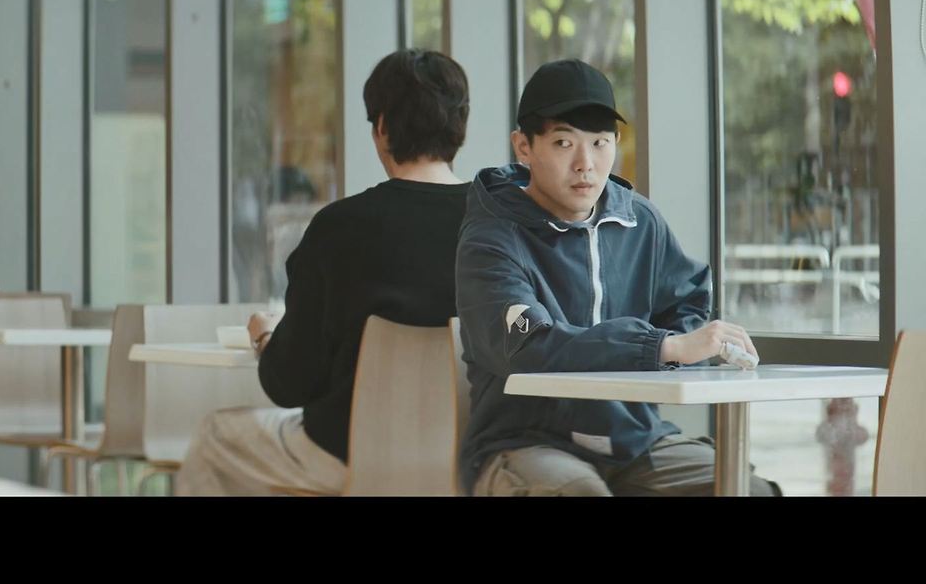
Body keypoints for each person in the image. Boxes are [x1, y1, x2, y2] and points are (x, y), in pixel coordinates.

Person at [456, 58, 779, 496]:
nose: (585, 164)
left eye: (600, 143)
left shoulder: (639, 221)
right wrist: (659, 347)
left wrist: (677, 352)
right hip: (525, 441)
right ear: (523, 147)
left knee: (746, 489)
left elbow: (687, 301)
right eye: (564, 143)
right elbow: (529, 346)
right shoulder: (492, 239)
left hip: (633, 443)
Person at [177, 49, 472, 495]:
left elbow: (289, 384)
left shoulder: (340, 229)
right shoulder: (496, 225)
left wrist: (265, 338)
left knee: (216, 438)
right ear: (460, 126)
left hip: (349, 452)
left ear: (382, 127)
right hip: (468, 458)